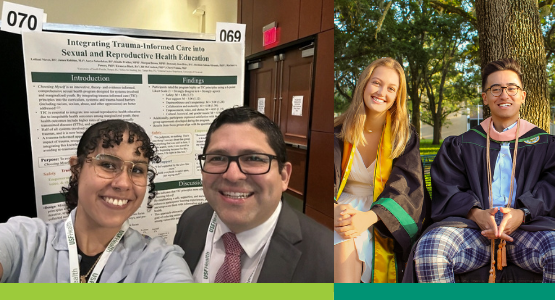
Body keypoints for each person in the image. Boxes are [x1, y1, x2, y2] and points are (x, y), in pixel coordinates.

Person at [404, 58, 555, 283]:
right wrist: (476, 214)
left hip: (529, 229)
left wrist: (523, 213)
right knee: (431, 249)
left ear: (523, 96)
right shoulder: (462, 144)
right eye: (496, 89)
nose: (504, 95)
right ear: (485, 98)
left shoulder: (546, 144)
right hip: (473, 230)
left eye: (512, 88)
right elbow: (449, 187)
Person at [0, 120, 192, 283]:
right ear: (76, 169)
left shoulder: (161, 261)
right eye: (108, 165)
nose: (124, 183)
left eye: (137, 170)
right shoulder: (24, 240)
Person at [173, 107, 336, 283]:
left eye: (254, 158)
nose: (233, 175)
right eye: (218, 158)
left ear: (284, 176)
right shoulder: (190, 221)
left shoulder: (329, 258)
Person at [332, 57, 426, 283]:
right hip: (340, 208)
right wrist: (331, 209)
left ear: (397, 97)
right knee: (342, 236)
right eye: (376, 83)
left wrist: (370, 218)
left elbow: (407, 187)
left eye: (391, 88)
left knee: (347, 238)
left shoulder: (403, 138)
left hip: (381, 216)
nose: (382, 92)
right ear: (364, 84)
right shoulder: (336, 131)